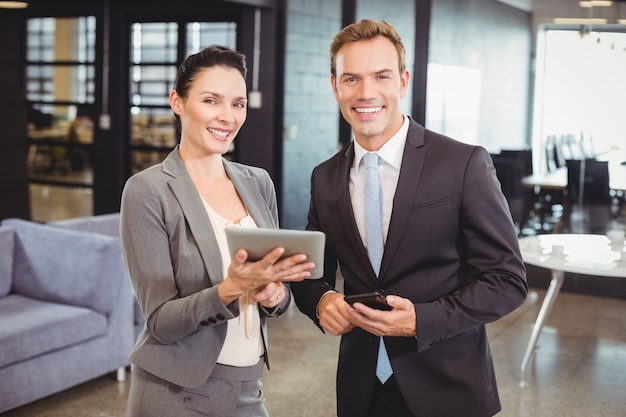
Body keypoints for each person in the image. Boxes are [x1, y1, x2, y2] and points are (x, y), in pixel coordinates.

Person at [290, 19, 528, 417]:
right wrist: (321, 300)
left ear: (402, 82)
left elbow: (507, 281)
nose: (366, 93)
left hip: (448, 389)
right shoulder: (325, 177)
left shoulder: (462, 163)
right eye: (351, 79)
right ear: (335, 86)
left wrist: (423, 319)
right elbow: (310, 274)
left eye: (381, 76)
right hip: (361, 390)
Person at [120, 45, 314, 417]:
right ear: (178, 102)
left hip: (249, 387)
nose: (227, 116)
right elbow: (160, 322)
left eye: (238, 104)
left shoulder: (258, 182)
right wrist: (230, 289)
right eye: (211, 101)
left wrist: (276, 295)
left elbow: (279, 295)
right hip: (176, 392)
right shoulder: (148, 191)